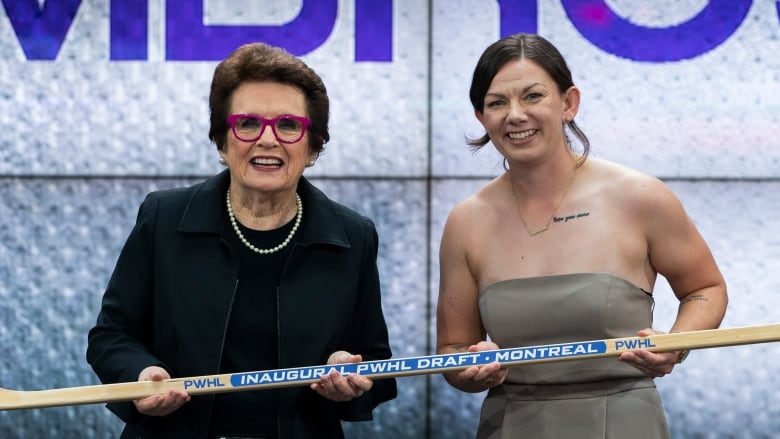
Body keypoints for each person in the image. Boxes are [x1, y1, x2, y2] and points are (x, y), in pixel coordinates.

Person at [86, 42, 397, 439]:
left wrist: (350, 374)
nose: (268, 139)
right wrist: (141, 374)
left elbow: (375, 360)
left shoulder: (353, 235)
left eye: (288, 125)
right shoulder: (164, 217)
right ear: (221, 140)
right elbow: (112, 335)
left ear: (314, 145)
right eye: (248, 123)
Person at [436, 33, 728, 439]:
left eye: (533, 96)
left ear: (568, 103)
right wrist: (471, 370)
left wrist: (676, 344)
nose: (515, 115)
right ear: (481, 117)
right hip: (510, 423)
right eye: (497, 103)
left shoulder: (639, 196)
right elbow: (452, 351)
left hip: (625, 421)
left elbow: (706, 288)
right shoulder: (466, 221)